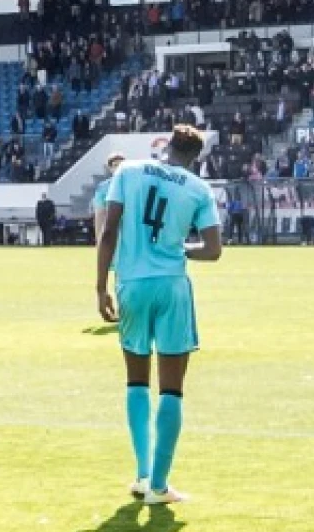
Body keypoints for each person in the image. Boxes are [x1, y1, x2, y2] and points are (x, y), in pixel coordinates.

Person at [95, 126, 222, 505]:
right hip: (171, 287)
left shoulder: (128, 172)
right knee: (171, 387)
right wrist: (181, 249)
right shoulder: (198, 189)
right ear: (195, 157)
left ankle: (142, 473)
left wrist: (100, 285)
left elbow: (109, 231)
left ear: (165, 146)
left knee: (136, 381)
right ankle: (161, 487)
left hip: (131, 284)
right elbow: (213, 249)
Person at [91, 153, 126, 244]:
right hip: (113, 230)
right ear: (110, 168)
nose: (118, 168)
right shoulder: (103, 187)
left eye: (121, 165)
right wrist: (99, 239)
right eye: (115, 165)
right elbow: (99, 213)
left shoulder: (134, 186)